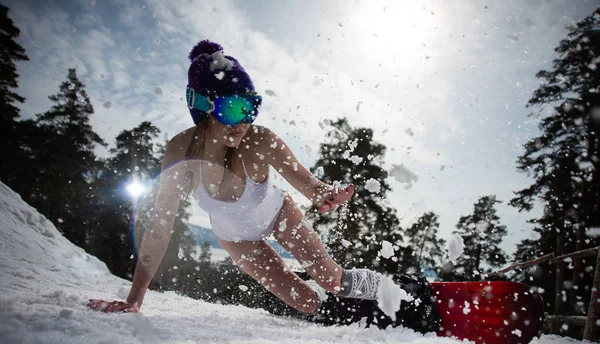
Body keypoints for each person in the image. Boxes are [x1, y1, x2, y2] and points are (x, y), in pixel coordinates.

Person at [88, 40, 429, 327]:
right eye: (234, 108)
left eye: (251, 106)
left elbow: (308, 183)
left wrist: (325, 194)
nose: (245, 121)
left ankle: (401, 289)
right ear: (204, 107)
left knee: (331, 279)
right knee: (307, 302)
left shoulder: (260, 141)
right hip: (237, 240)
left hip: (280, 214)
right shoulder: (182, 151)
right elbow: (159, 227)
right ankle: (358, 315)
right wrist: (134, 301)